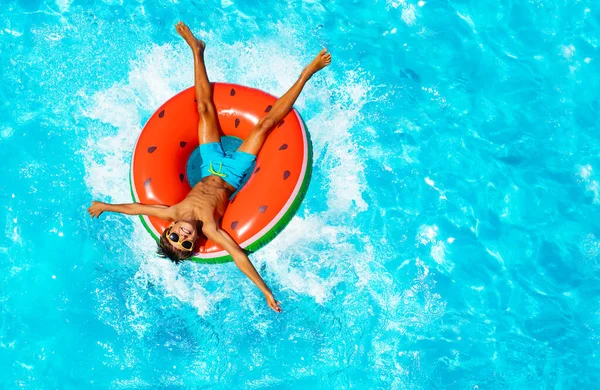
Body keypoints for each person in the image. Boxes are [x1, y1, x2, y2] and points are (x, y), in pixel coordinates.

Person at [87, 21, 331, 312]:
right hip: (234, 173)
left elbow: (136, 208)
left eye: (175, 237)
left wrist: (106, 206)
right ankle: (306, 74)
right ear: (195, 244)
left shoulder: (172, 212)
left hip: (210, 163)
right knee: (265, 125)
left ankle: (196, 50)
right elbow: (239, 257)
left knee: (203, 108)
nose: (184, 236)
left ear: (169, 230)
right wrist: (264, 291)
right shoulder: (211, 229)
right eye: (187, 244)